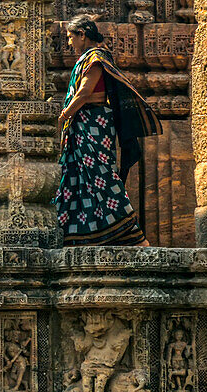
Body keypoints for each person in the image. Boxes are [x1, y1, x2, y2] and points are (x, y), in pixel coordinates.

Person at [55, 15, 160, 247]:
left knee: (101, 176)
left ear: (83, 34)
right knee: (80, 177)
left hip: (94, 123)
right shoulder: (86, 58)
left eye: (71, 37)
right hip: (84, 124)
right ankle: (82, 233)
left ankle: (135, 237)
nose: (70, 43)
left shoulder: (95, 58)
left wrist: (66, 113)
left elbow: (84, 92)